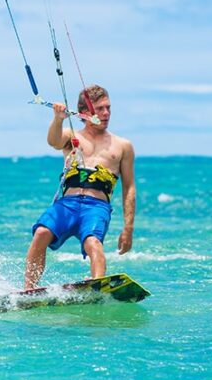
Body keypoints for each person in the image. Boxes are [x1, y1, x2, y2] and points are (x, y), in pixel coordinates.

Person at [24, 85, 136, 290]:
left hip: (96, 207)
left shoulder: (122, 146)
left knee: (93, 243)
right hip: (67, 204)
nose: (106, 113)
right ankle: (29, 289)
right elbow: (54, 142)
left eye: (108, 108)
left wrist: (128, 229)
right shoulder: (71, 135)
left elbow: (129, 188)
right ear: (84, 112)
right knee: (41, 232)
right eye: (100, 109)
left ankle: (97, 286)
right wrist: (58, 119)